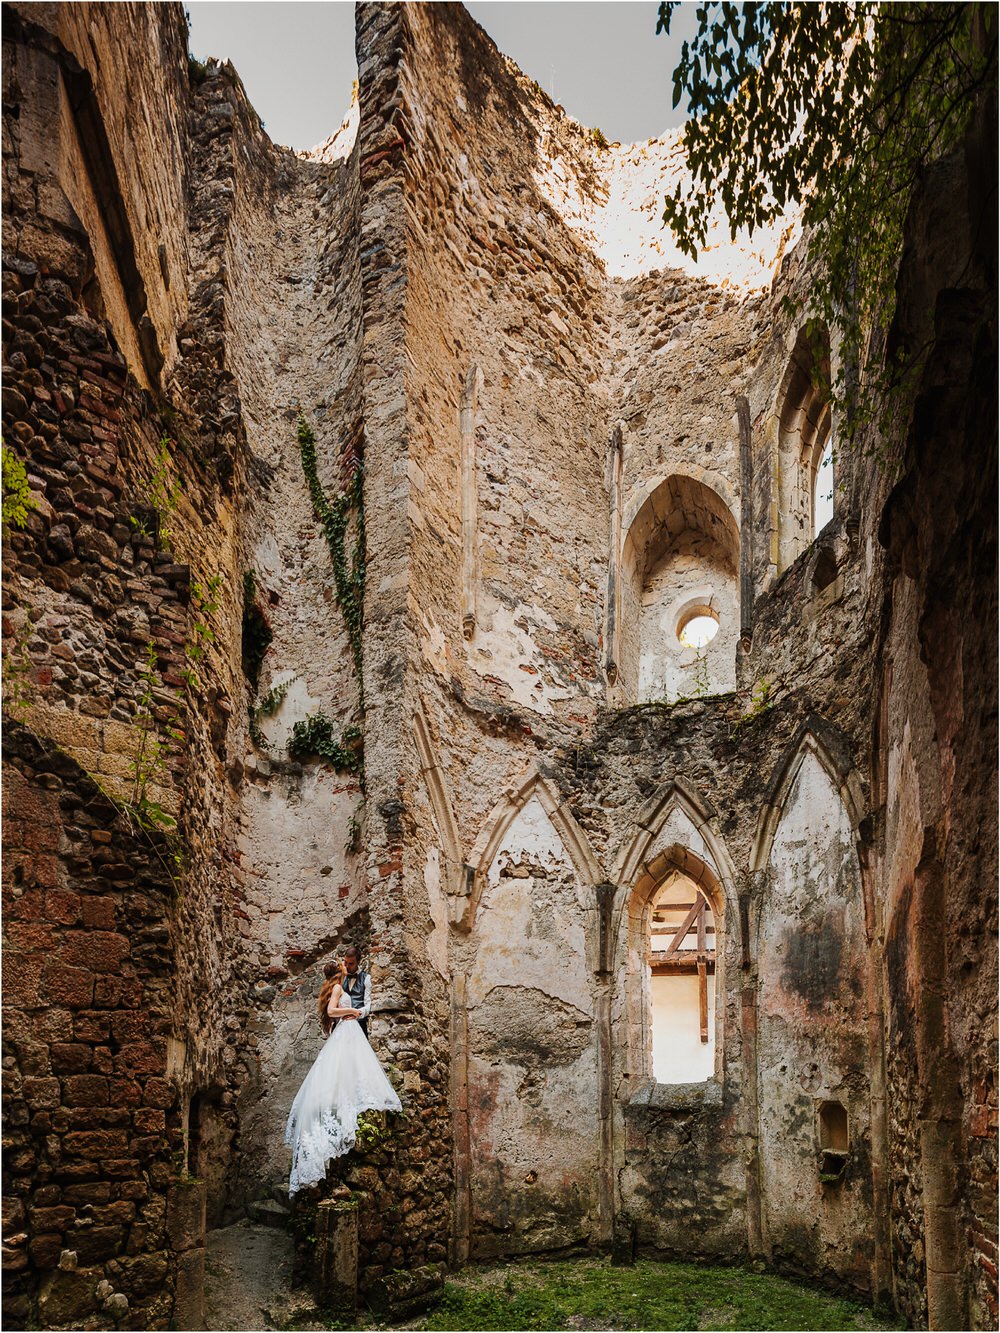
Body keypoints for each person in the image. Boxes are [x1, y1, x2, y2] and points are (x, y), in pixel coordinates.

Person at [284, 957, 401, 1196]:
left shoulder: (337, 986)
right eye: (343, 965)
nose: (347, 966)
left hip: (348, 1030)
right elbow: (331, 1011)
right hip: (347, 1029)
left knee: (349, 1067)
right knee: (344, 1066)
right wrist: (352, 1011)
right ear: (340, 970)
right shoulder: (338, 987)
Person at [340, 944, 371, 1040]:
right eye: (345, 962)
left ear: (358, 962)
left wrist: (358, 1013)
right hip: (341, 1026)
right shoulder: (340, 978)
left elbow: (368, 1004)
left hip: (359, 1026)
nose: (347, 966)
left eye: (351, 963)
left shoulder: (366, 978)